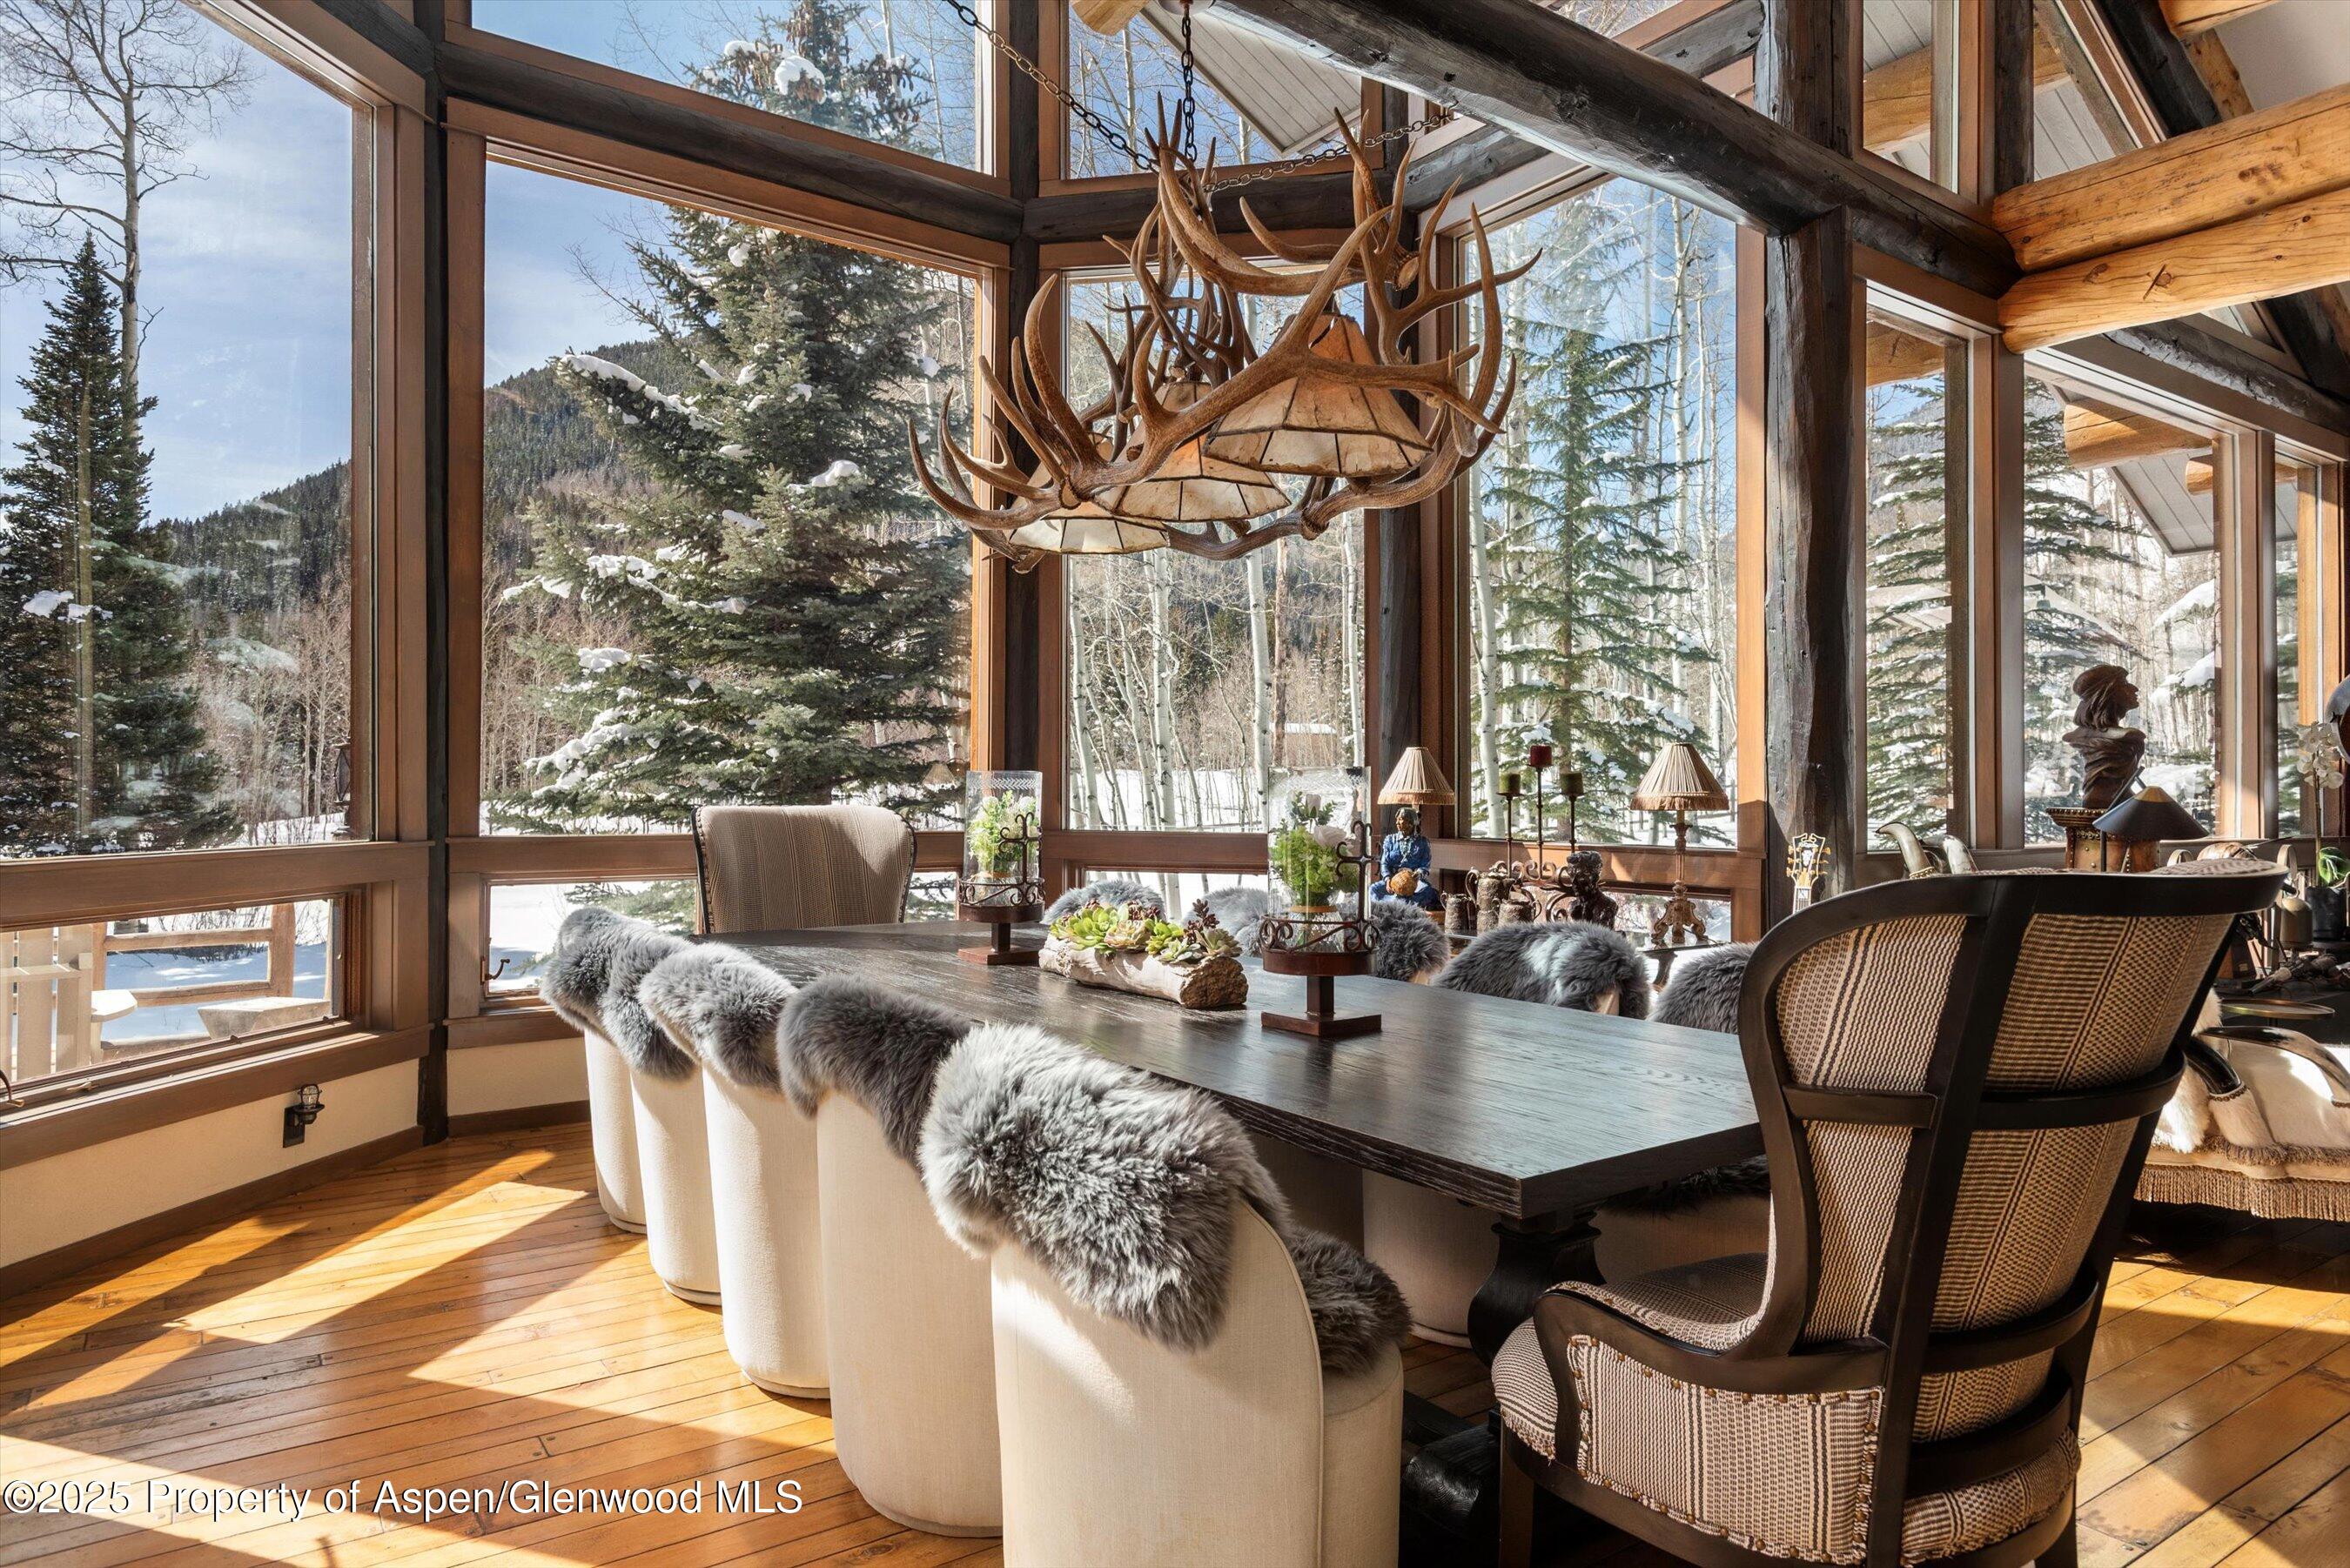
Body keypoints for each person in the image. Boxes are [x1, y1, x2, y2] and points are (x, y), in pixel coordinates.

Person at [1375, 806, 1441, 911]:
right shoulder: (1390, 840)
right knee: (1374, 890)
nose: (1397, 822)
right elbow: (1385, 863)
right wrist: (1388, 880)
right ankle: (1398, 903)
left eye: (1401, 819)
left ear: (1411, 823)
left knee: (1426, 890)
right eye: (1397, 819)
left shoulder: (1423, 842)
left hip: (1415, 883)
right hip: (1394, 882)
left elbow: (1425, 865)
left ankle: (1399, 904)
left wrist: (1418, 874)